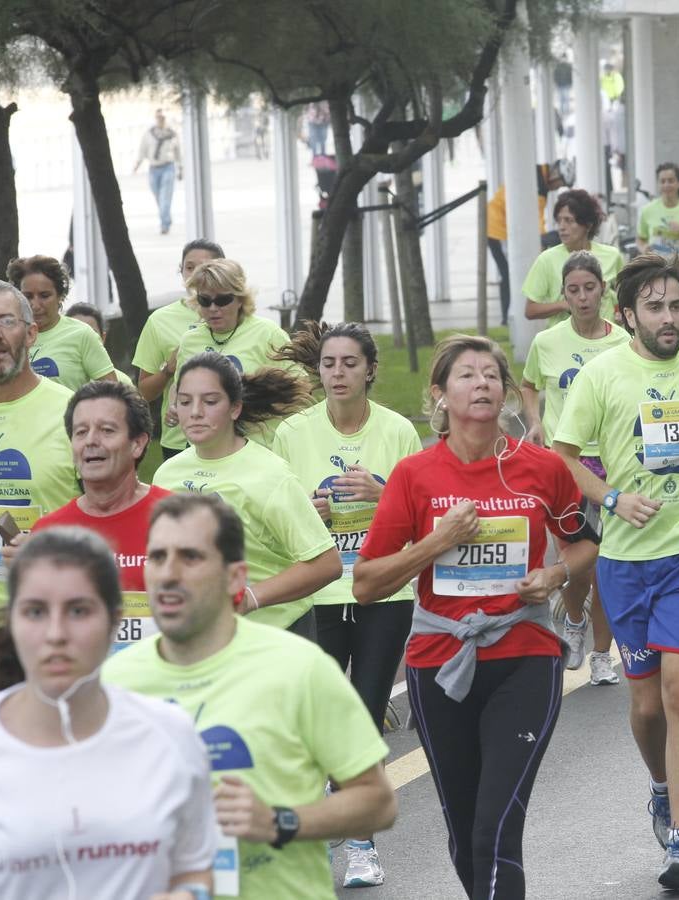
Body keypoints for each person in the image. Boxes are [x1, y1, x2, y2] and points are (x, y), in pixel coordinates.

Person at [351, 334, 593, 900]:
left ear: (506, 391)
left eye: (491, 375)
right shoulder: (414, 475)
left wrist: (554, 576)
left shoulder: (541, 468)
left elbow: (584, 546)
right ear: (439, 393)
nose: (481, 383)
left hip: (524, 656)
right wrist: (435, 543)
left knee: (496, 824)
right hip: (439, 664)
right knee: (465, 832)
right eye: (466, 374)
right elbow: (366, 583)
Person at [552, 253, 679, 893]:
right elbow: (563, 457)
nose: (669, 319)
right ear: (628, 314)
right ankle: (661, 787)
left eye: (677, 306)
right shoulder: (604, 375)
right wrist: (610, 498)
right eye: (655, 308)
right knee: (645, 706)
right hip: (627, 561)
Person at [104, 492, 397, 899]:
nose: (168, 574)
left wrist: (281, 823)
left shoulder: (299, 668)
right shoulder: (113, 684)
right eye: (156, 557)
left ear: (235, 577)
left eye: (190, 558)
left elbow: (378, 802)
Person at [0, 528, 215, 899]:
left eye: (79, 610)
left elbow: (194, 869)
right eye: (35, 611)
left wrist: (188, 894)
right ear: (12, 620)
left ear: (114, 621)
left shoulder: (170, 734)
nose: (56, 633)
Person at [266, 322, 419, 886]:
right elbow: (282, 517)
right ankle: (321, 823)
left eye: (350, 363)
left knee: (364, 709)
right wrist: (312, 511)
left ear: (370, 370)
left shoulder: (399, 430)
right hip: (319, 593)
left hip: (382, 588)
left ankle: (360, 845)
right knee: (316, 719)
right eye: (329, 363)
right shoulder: (293, 433)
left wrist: (383, 496)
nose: (338, 373)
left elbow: (418, 514)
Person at [154, 352, 339, 637]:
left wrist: (250, 598)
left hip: (277, 635)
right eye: (185, 401)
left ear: (235, 408)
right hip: (201, 639)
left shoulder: (270, 474)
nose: (195, 412)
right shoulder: (166, 475)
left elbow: (326, 564)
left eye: (210, 401)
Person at [520, 252, 627, 684]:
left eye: (589, 288)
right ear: (563, 295)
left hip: (614, 461)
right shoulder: (547, 343)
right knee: (578, 563)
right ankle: (576, 621)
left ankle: (603, 653)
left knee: (607, 565)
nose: (582, 298)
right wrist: (534, 421)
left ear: (604, 289)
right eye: (573, 290)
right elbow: (528, 384)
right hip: (565, 464)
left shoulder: (622, 342)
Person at [0, 280, 80, 638]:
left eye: (6, 321)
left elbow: (111, 512)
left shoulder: (75, 413)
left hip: (55, 620)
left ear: (31, 334)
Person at [21, 382, 170, 655]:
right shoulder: (49, 532)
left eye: (106, 430)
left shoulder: (178, 518)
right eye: (81, 432)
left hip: (165, 686)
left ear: (137, 444)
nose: (91, 441)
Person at [166, 258, 300, 454]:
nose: (213, 308)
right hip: (205, 453)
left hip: (258, 452)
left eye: (222, 300)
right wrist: (175, 407)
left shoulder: (268, 334)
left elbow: (299, 390)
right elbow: (179, 388)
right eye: (205, 300)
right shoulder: (190, 340)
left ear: (240, 299)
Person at [134, 239, 220, 460]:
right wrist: (168, 370)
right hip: (179, 440)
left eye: (205, 267)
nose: (196, 274)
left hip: (234, 435)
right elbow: (143, 392)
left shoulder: (234, 313)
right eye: (189, 267)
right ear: (180, 271)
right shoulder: (160, 321)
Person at [5, 255, 116, 393]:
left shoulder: (81, 334)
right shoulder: (7, 337)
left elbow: (113, 393)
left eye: (45, 296)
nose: (35, 305)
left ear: (60, 296)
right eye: (28, 296)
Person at [523, 189, 625, 325]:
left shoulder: (613, 256)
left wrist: (619, 313)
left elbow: (623, 295)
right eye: (559, 221)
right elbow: (530, 310)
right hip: (564, 342)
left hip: (606, 341)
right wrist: (563, 305)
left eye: (569, 221)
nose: (561, 227)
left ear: (588, 225)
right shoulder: (546, 259)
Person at [486, 164, 569, 324]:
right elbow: (535, 217)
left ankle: (507, 316)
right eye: (559, 183)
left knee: (509, 274)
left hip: (500, 226)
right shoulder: (538, 183)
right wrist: (540, 241)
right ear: (554, 175)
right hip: (499, 229)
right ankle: (506, 317)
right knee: (508, 275)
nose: (557, 187)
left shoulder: (538, 175)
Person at [637, 163, 679, 259]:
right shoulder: (647, 210)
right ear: (658, 184)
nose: (666, 185)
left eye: (671, 181)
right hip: (656, 270)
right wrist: (643, 248)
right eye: (662, 181)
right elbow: (641, 238)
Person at [133, 108, 181, 234]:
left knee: (165, 198)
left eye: (163, 118)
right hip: (154, 169)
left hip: (168, 167)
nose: (160, 120)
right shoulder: (149, 134)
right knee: (159, 197)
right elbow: (142, 150)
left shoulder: (172, 133)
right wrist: (137, 164)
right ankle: (166, 218)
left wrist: (181, 168)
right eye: (158, 118)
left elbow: (178, 153)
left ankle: (164, 225)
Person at [63, 303, 134, 385]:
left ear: (103, 338)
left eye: (91, 334)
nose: (84, 340)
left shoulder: (121, 381)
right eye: (75, 333)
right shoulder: (55, 377)